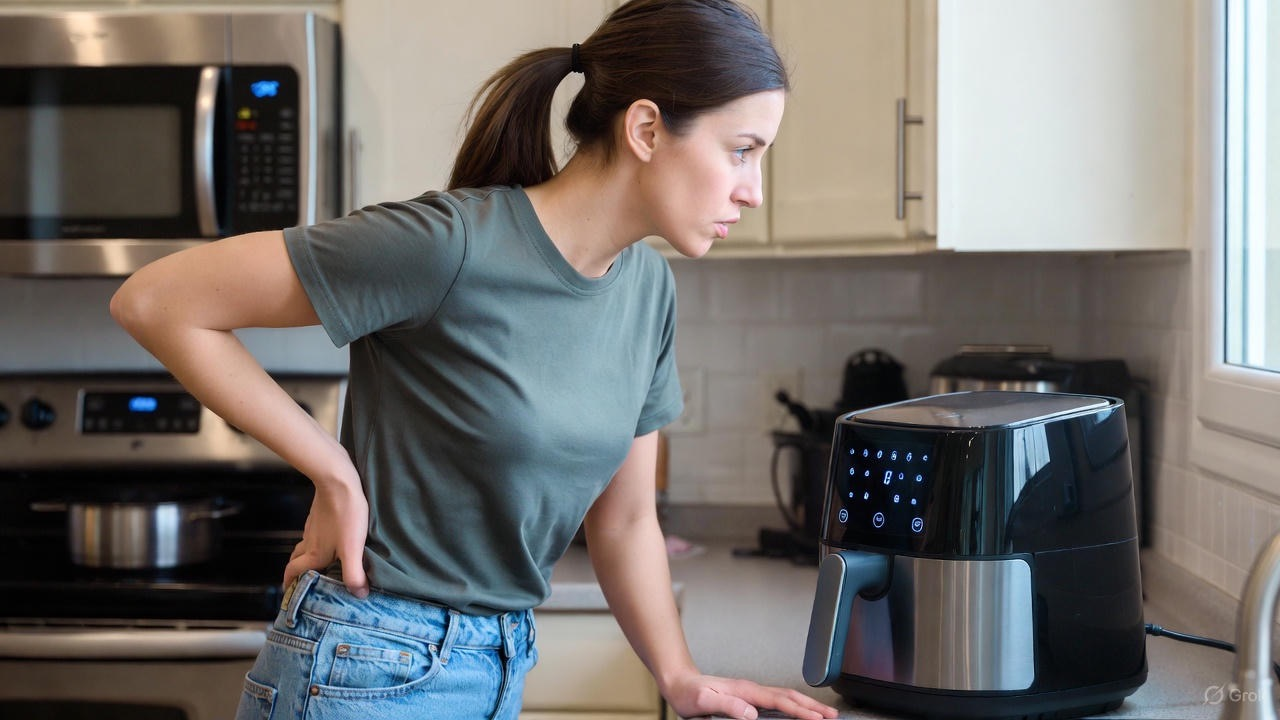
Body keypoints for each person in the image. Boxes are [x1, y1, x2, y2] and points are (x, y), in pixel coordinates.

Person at [111, 1, 836, 718]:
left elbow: (624, 523)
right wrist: (332, 472)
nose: (754, 189)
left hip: (499, 664)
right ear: (646, 128)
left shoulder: (647, 291)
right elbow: (156, 302)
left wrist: (679, 675)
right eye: (741, 150)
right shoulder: (449, 244)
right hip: (365, 665)